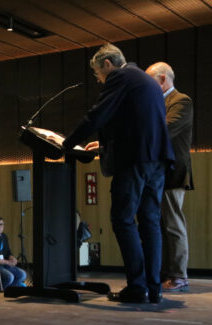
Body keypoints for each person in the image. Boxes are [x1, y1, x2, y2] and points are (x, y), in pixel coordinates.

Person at [62, 44, 174, 304]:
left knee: (122, 219)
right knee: (150, 222)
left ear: (107, 64)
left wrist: (67, 144)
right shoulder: (145, 80)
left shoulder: (120, 77)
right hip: (157, 160)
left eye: (97, 74)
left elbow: (97, 114)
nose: (99, 79)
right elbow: (135, 122)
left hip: (134, 161)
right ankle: (153, 289)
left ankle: (137, 287)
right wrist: (104, 145)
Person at [146, 62, 194, 293]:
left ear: (163, 79)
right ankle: (164, 273)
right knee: (160, 225)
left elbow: (164, 129)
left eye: (151, 81)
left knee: (174, 225)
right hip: (158, 173)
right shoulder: (158, 102)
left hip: (173, 173)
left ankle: (178, 275)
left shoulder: (181, 101)